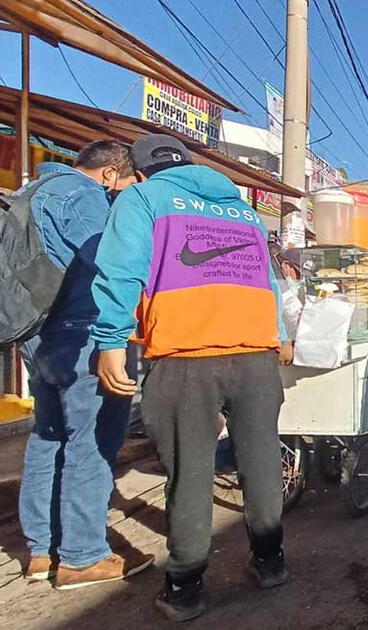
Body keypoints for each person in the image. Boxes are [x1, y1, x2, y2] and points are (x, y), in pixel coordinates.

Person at [89, 134, 293, 622]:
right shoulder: (240, 208)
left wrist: (111, 343)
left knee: (191, 472)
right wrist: (280, 335)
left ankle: (185, 587)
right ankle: (270, 562)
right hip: (255, 354)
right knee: (262, 462)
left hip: (185, 355)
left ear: (139, 173)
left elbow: (121, 271)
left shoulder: (141, 198)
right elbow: (266, 280)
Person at [15, 141, 153, 589]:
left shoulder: (32, 192)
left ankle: (40, 550)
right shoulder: (86, 197)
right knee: (91, 441)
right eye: (127, 186)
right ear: (111, 174)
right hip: (81, 333)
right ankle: (82, 557)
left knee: (48, 433)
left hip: (34, 334)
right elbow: (114, 264)